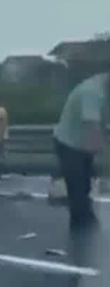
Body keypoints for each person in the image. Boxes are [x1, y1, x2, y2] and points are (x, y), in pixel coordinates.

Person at [52, 70, 109, 230]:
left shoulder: (104, 90)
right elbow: (92, 126)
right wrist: (103, 157)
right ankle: (82, 225)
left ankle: (83, 221)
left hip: (83, 144)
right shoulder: (92, 92)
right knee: (77, 186)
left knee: (84, 186)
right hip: (69, 144)